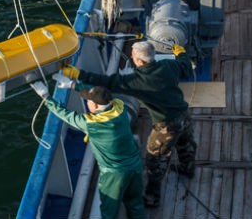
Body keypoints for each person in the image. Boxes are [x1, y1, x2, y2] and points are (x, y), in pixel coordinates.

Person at [60, 41, 197, 208]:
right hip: (184, 116)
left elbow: (107, 81)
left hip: (166, 127)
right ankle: (188, 169)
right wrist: (181, 52)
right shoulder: (169, 65)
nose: (131, 57)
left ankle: (152, 198)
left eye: (133, 55)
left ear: (139, 61)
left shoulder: (136, 81)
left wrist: (78, 75)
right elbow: (185, 66)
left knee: (155, 161)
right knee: (186, 144)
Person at [30, 75, 145, 219]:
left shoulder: (92, 125)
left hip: (114, 175)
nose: (86, 103)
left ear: (95, 106)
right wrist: (72, 85)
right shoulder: (119, 108)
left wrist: (45, 96)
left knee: (109, 210)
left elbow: (65, 114)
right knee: (135, 203)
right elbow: (97, 94)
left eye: (88, 101)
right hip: (135, 165)